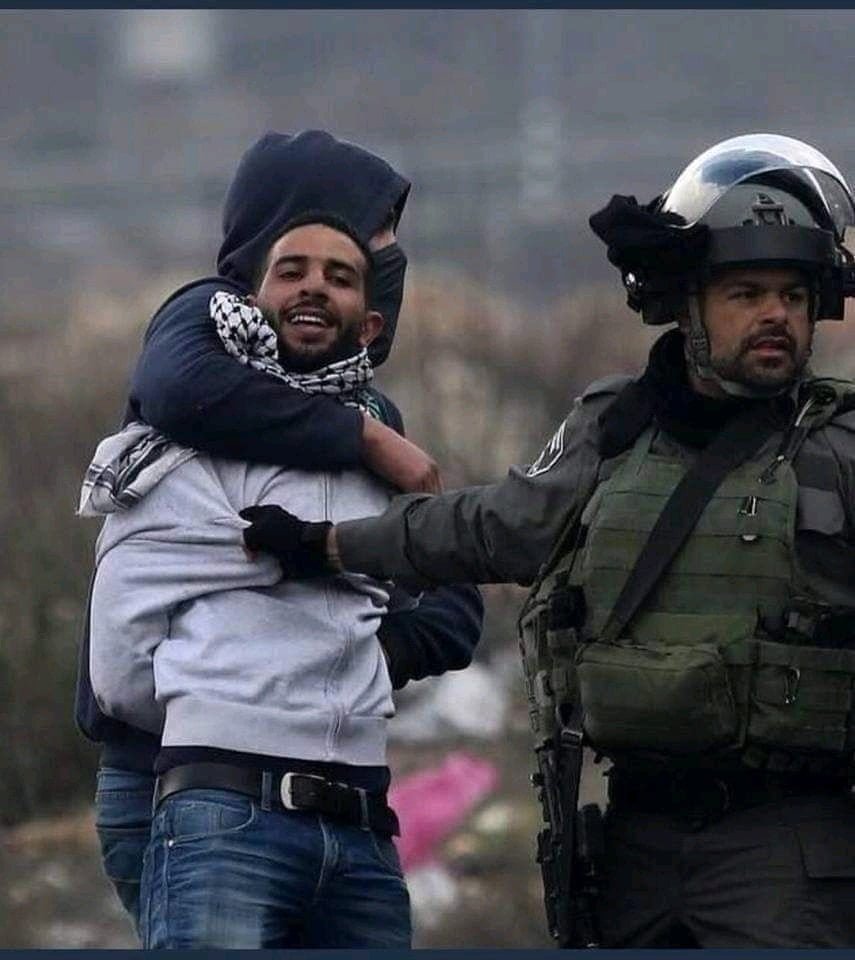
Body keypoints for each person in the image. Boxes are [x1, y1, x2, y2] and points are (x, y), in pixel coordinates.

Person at [240, 133, 855, 948]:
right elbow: (496, 525)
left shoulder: (838, 449)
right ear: (689, 304)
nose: (774, 316)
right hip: (636, 839)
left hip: (788, 848)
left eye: (790, 295)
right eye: (744, 293)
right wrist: (329, 544)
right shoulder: (616, 425)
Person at [75, 130, 483, 935]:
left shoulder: (370, 417)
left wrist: (337, 660)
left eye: (350, 268)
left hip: (350, 798)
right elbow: (124, 636)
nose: (317, 287)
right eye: (294, 267)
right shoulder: (192, 377)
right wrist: (227, 694)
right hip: (189, 783)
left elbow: (451, 602)